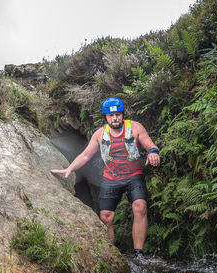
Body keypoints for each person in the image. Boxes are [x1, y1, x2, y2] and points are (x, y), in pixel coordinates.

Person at [50, 97, 160, 258]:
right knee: (105, 217)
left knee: (140, 207)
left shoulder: (135, 128)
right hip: (111, 178)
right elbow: (86, 155)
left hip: (133, 176)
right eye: (110, 115)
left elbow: (150, 145)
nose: (115, 118)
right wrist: (69, 169)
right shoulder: (100, 134)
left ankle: (138, 254)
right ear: (106, 117)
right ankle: (111, 255)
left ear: (122, 115)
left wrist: (153, 153)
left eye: (117, 114)